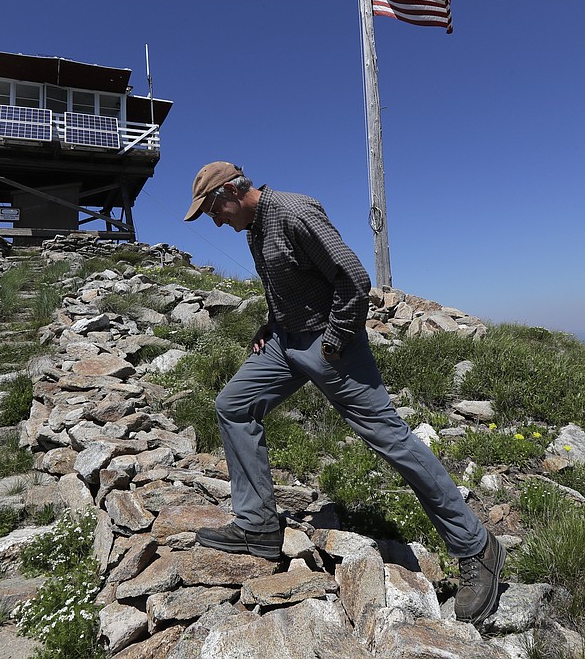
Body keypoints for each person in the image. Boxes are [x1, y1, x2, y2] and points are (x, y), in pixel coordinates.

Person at [182, 161, 506, 623]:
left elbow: (353, 278)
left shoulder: (295, 212)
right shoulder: (253, 227)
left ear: (230, 193)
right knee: (232, 405)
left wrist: (334, 339)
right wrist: (270, 324)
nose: (215, 221)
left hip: (331, 346)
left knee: (393, 441)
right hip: (285, 341)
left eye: (212, 210)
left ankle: (477, 547)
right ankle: (256, 527)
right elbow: (290, 284)